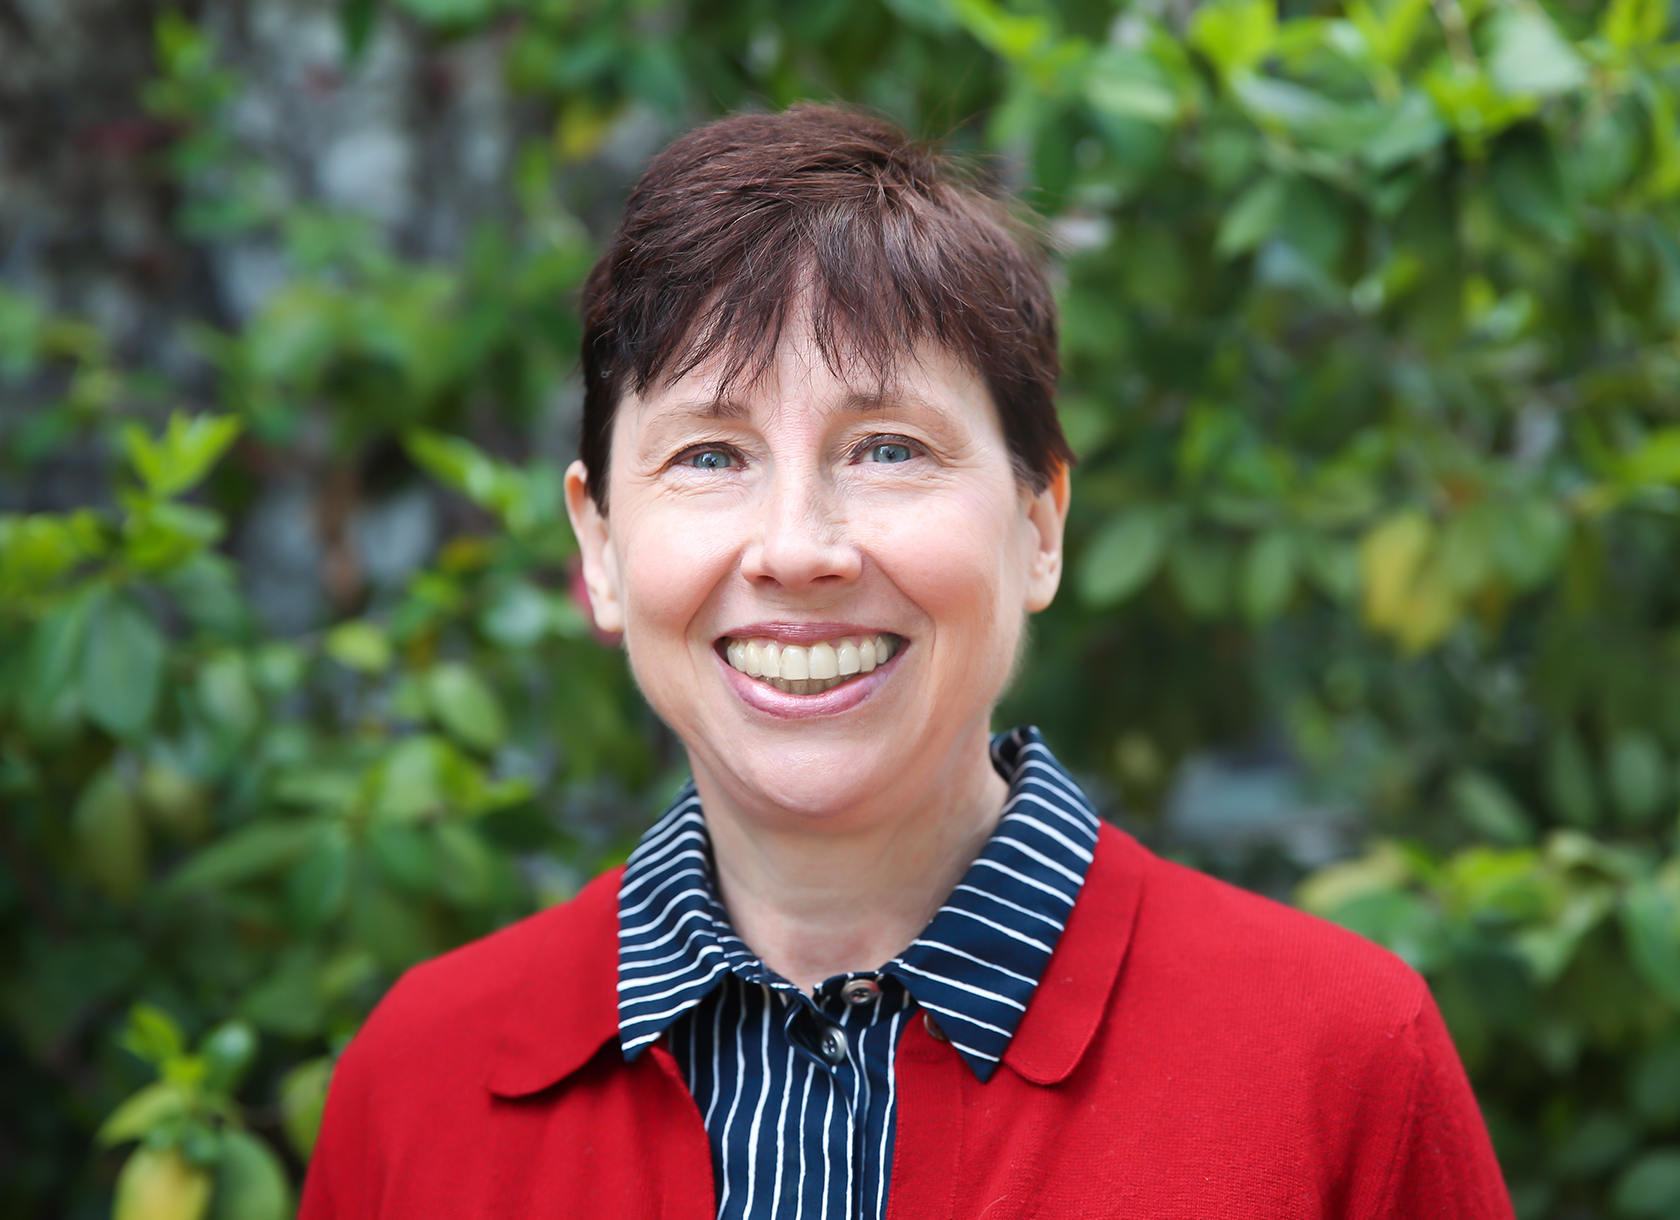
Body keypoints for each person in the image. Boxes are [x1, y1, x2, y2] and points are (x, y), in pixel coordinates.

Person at [299, 105, 1513, 1220]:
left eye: (886, 448)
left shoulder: (1340, 1061)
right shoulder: (421, 1083)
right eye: (710, 455)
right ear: (601, 546)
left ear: (1039, 524)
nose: (796, 549)